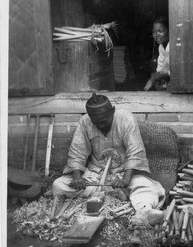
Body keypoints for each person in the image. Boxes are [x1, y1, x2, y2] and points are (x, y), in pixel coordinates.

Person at [52, 93, 166, 226]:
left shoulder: (125, 118)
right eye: (96, 123)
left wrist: (125, 180)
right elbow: (77, 152)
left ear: (113, 110)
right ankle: (116, 193)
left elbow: (136, 152)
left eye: (104, 121)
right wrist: (77, 178)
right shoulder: (85, 121)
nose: (100, 126)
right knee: (58, 185)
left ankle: (144, 212)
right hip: (95, 175)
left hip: (124, 173)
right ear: (90, 117)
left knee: (147, 187)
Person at [144, 16, 170, 91]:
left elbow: (176, 72)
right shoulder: (161, 47)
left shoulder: (174, 47)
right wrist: (156, 80)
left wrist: (154, 78)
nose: (156, 34)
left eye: (160, 31)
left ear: (168, 31)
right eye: (154, 31)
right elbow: (160, 68)